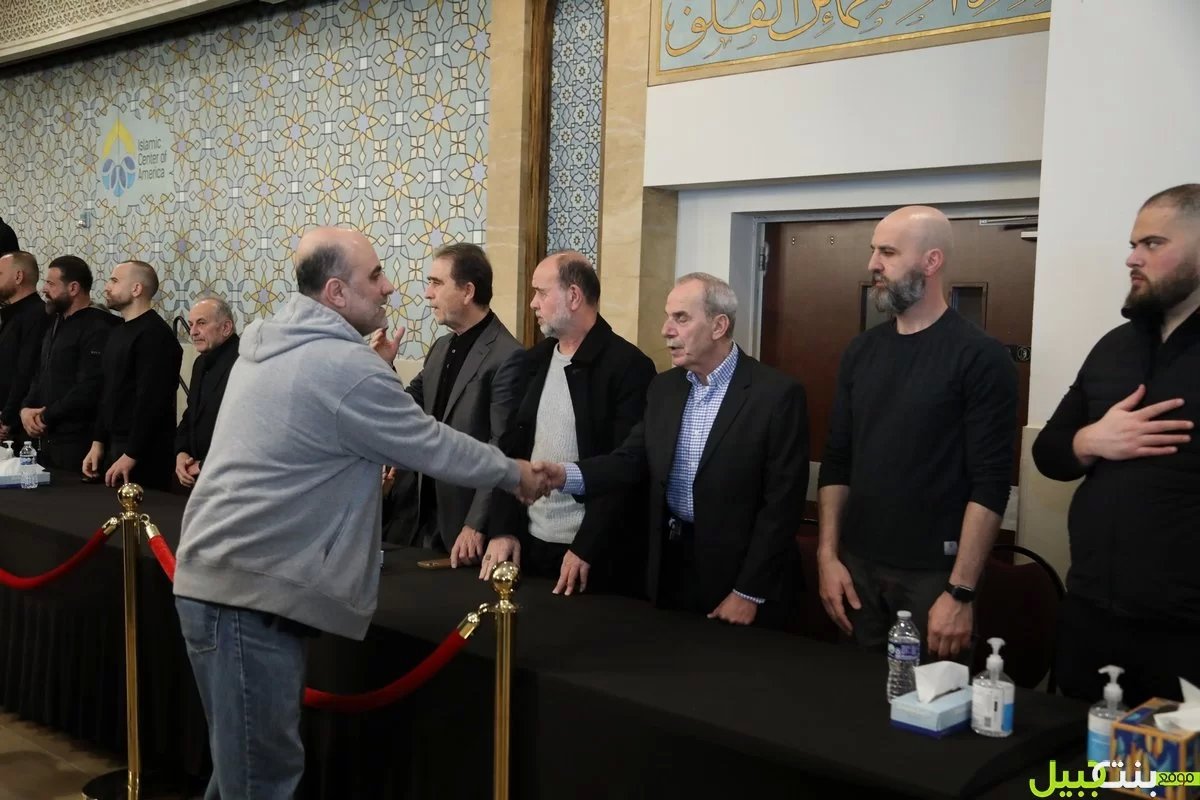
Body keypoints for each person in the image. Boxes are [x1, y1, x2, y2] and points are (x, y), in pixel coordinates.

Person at [172, 226, 544, 798]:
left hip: (229, 583)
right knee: (260, 779)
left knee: (240, 773)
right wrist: (516, 473)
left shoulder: (276, 343)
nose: (390, 287)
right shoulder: (341, 365)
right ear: (337, 292)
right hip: (249, 596)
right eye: (375, 275)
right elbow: (430, 444)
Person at [537, 273, 809, 628]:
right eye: (668, 317)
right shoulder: (664, 389)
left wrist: (748, 592)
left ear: (719, 326)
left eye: (681, 318)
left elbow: (782, 506)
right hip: (671, 569)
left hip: (741, 579)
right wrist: (563, 475)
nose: (666, 330)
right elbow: (629, 461)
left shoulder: (776, 395)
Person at [816, 205, 1017, 659]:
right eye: (874, 251)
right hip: (857, 570)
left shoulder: (979, 357)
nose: (873, 264)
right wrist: (828, 557)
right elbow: (837, 460)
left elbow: (990, 483)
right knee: (849, 697)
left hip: (934, 578)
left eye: (887, 252)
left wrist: (961, 591)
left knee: (928, 701)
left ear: (931, 261)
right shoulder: (861, 352)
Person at [1032, 184, 1200, 705]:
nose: (1132, 258)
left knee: (1169, 761)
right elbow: (1049, 453)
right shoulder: (1114, 346)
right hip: (1092, 612)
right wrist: (1092, 440)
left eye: (1152, 244)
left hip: (1185, 632)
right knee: (1077, 752)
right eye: (1133, 244)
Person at [481, 251, 656, 597]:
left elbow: (625, 467)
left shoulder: (629, 366)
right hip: (530, 544)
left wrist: (586, 546)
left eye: (541, 292)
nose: (533, 303)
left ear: (574, 296)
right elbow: (510, 450)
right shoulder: (533, 361)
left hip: (593, 556)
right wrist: (503, 528)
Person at [371, 243, 523, 564]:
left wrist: (476, 523)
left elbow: (504, 447)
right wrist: (385, 366)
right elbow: (407, 408)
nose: (428, 294)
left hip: (463, 520)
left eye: (436, 283)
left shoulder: (508, 356)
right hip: (418, 514)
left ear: (468, 291)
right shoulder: (441, 347)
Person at [82, 260, 182, 489]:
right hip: (115, 444)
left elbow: (152, 401)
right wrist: (98, 442)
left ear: (136, 289)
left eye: (114, 281)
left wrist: (132, 454)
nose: (107, 286)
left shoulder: (155, 336)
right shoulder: (117, 332)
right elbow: (107, 391)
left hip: (145, 452)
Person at [20, 256, 119, 471]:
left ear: (73, 288)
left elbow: (90, 387)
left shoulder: (99, 327)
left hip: (79, 442)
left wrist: (45, 415)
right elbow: (40, 373)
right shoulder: (55, 322)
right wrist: (26, 409)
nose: (44, 289)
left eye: (51, 283)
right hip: (48, 438)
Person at [174, 296, 239, 490]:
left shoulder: (243, 363)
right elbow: (191, 414)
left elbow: (244, 430)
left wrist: (204, 465)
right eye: (191, 324)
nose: (193, 332)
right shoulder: (200, 363)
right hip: (195, 474)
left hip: (229, 478)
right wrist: (181, 453)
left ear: (226, 328)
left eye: (201, 323)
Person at [0, 251, 50, 444]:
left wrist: (7, 419)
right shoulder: (11, 315)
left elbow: (26, 371)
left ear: (18, 276)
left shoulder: (37, 315)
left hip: (21, 426)